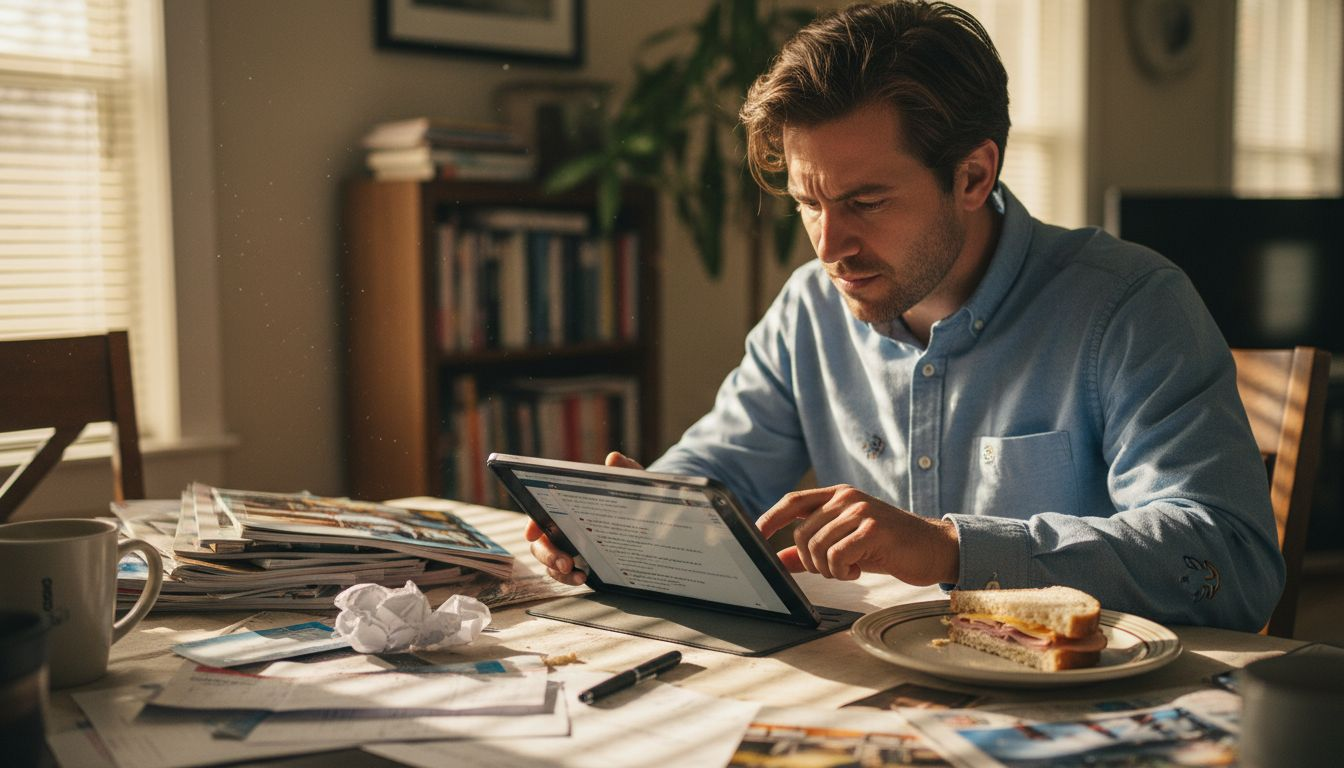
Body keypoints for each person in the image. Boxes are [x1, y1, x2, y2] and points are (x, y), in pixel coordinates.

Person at [526, 0, 1283, 631]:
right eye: (808, 205)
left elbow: (1230, 562)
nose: (831, 246)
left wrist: (953, 550)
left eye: (866, 202)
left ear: (973, 174)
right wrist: (621, 524)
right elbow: (721, 473)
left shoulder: (1130, 307)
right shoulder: (810, 309)